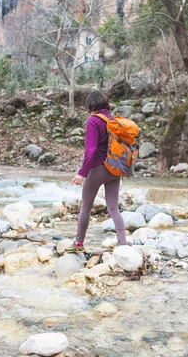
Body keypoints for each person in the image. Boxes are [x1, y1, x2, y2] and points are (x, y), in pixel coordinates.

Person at [65, 91, 126, 254]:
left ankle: (78, 244)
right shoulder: (113, 120)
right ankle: (123, 244)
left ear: (90, 106)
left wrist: (82, 173)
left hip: (98, 168)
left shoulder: (94, 120)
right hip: (115, 168)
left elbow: (91, 150)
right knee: (113, 207)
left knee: (85, 206)